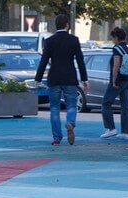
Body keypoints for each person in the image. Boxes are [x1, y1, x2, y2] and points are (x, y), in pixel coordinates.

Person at [35, 13, 89, 146]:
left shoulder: (50, 41)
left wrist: (38, 78)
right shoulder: (74, 40)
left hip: (54, 77)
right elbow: (80, 61)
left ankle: (57, 138)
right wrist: (84, 79)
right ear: (67, 25)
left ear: (56, 25)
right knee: (71, 105)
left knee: (54, 108)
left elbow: (44, 60)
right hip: (70, 77)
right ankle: (70, 123)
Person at [100, 27, 128, 140]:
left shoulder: (117, 49)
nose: (112, 40)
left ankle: (111, 128)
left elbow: (116, 65)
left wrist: (114, 80)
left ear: (116, 37)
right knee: (125, 105)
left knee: (106, 103)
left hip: (118, 79)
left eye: (113, 37)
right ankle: (127, 132)